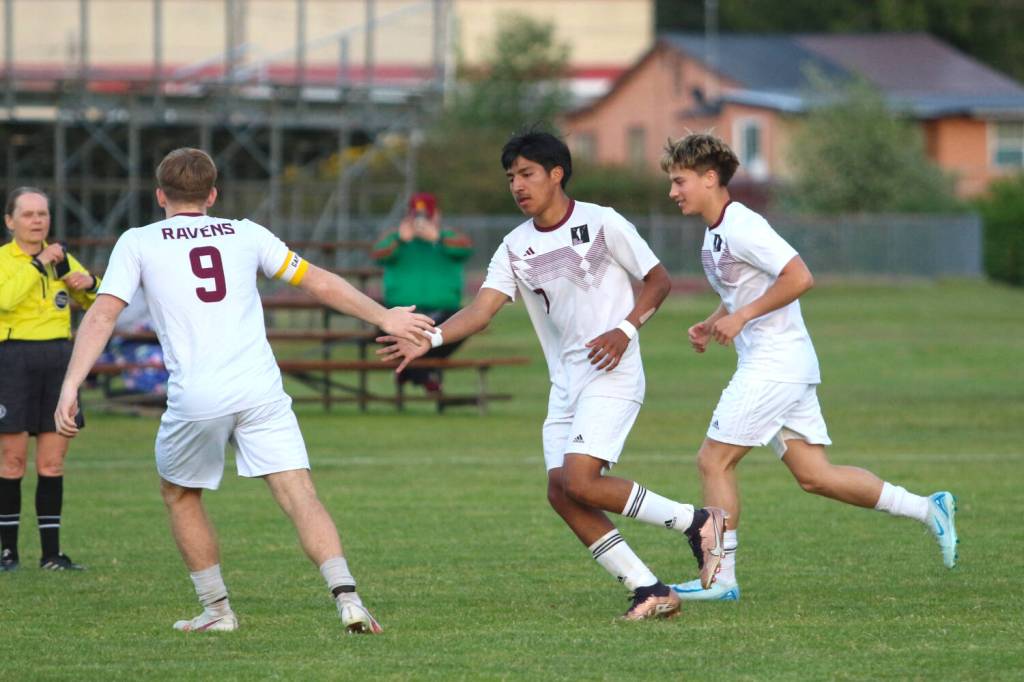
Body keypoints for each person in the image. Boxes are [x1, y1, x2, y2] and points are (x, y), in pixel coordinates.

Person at [53, 148, 436, 633]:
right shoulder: (245, 232)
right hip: (260, 389)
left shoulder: (138, 241)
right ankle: (348, 597)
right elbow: (317, 281)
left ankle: (218, 612)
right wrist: (385, 316)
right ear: (212, 195)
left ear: (159, 196)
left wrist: (71, 383)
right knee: (299, 494)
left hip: (199, 395)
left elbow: (104, 314)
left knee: (180, 494)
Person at [378, 131, 727, 620]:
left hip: (614, 372)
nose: (517, 186)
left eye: (527, 174)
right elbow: (481, 311)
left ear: (556, 174)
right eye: (511, 178)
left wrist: (625, 330)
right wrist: (431, 339)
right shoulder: (515, 246)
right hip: (566, 384)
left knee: (580, 481)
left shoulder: (602, 222)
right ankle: (648, 588)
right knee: (561, 492)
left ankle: (697, 521)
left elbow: (658, 280)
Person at [659, 133, 959, 602]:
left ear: (710, 178)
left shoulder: (742, 225)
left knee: (712, 460)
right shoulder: (717, 231)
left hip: (774, 365)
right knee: (814, 475)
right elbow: (741, 289)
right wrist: (716, 319)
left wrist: (741, 317)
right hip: (784, 365)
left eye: (679, 181)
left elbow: (799, 277)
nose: (673, 192)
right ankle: (929, 508)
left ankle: (720, 580)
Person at [1, 187, 100, 572]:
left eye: (42, 214)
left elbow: (99, 304)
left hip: (59, 360)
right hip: (11, 360)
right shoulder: (7, 261)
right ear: (10, 221)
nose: (37, 220)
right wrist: (39, 264)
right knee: (10, 462)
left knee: (52, 464)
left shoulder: (61, 258)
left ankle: (51, 555)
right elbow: (5, 300)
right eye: (27, 214)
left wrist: (89, 283)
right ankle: (8, 552)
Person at [371, 192, 473, 393]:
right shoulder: (395, 238)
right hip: (402, 311)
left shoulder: (448, 236)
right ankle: (423, 375)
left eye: (426, 216)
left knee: (462, 323)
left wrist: (438, 237)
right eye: (416, 216)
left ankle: (410, 371)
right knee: (384, 325)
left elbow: (465, 249)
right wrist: (400, 239)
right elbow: (379, 254)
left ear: (436, 216)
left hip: (443, 313)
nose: (420, 222)